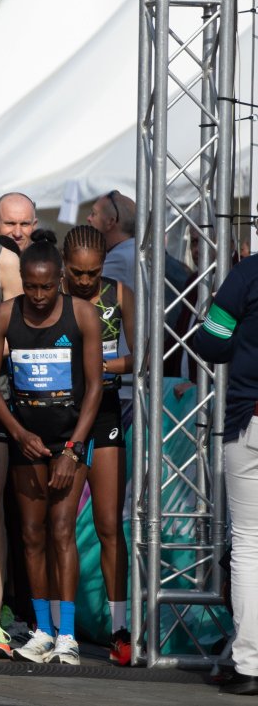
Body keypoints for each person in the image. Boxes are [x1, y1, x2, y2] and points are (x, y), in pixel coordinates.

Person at [0, 240, 102, 666]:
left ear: (60, 280)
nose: (38, 296)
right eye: (31, 287)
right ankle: (42, 630)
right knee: (31, 533)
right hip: (27, 440)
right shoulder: (5, 315)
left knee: (61, 530)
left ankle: (67, 635)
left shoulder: (83, 314)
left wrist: (73, 449)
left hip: (69, 441)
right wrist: (17, 432)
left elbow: (94, 387)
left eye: (46, 287)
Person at [61, 225, 135, 665]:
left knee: (109, 524)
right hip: (61, 415)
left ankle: (119, 627)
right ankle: (59, 627)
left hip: (105, 410)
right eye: (78, 273)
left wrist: (100, 365)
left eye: (94, 272)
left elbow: (142, 356)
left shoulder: (119, 293)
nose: (86, 281)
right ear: (65, 266)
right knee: (60, 525)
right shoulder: (51, 293)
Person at [192, 248, 258, 694]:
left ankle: (250, 664)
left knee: (250, 544)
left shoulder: (248, 274)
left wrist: (245, 339)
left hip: (251, 420)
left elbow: (211, 341)